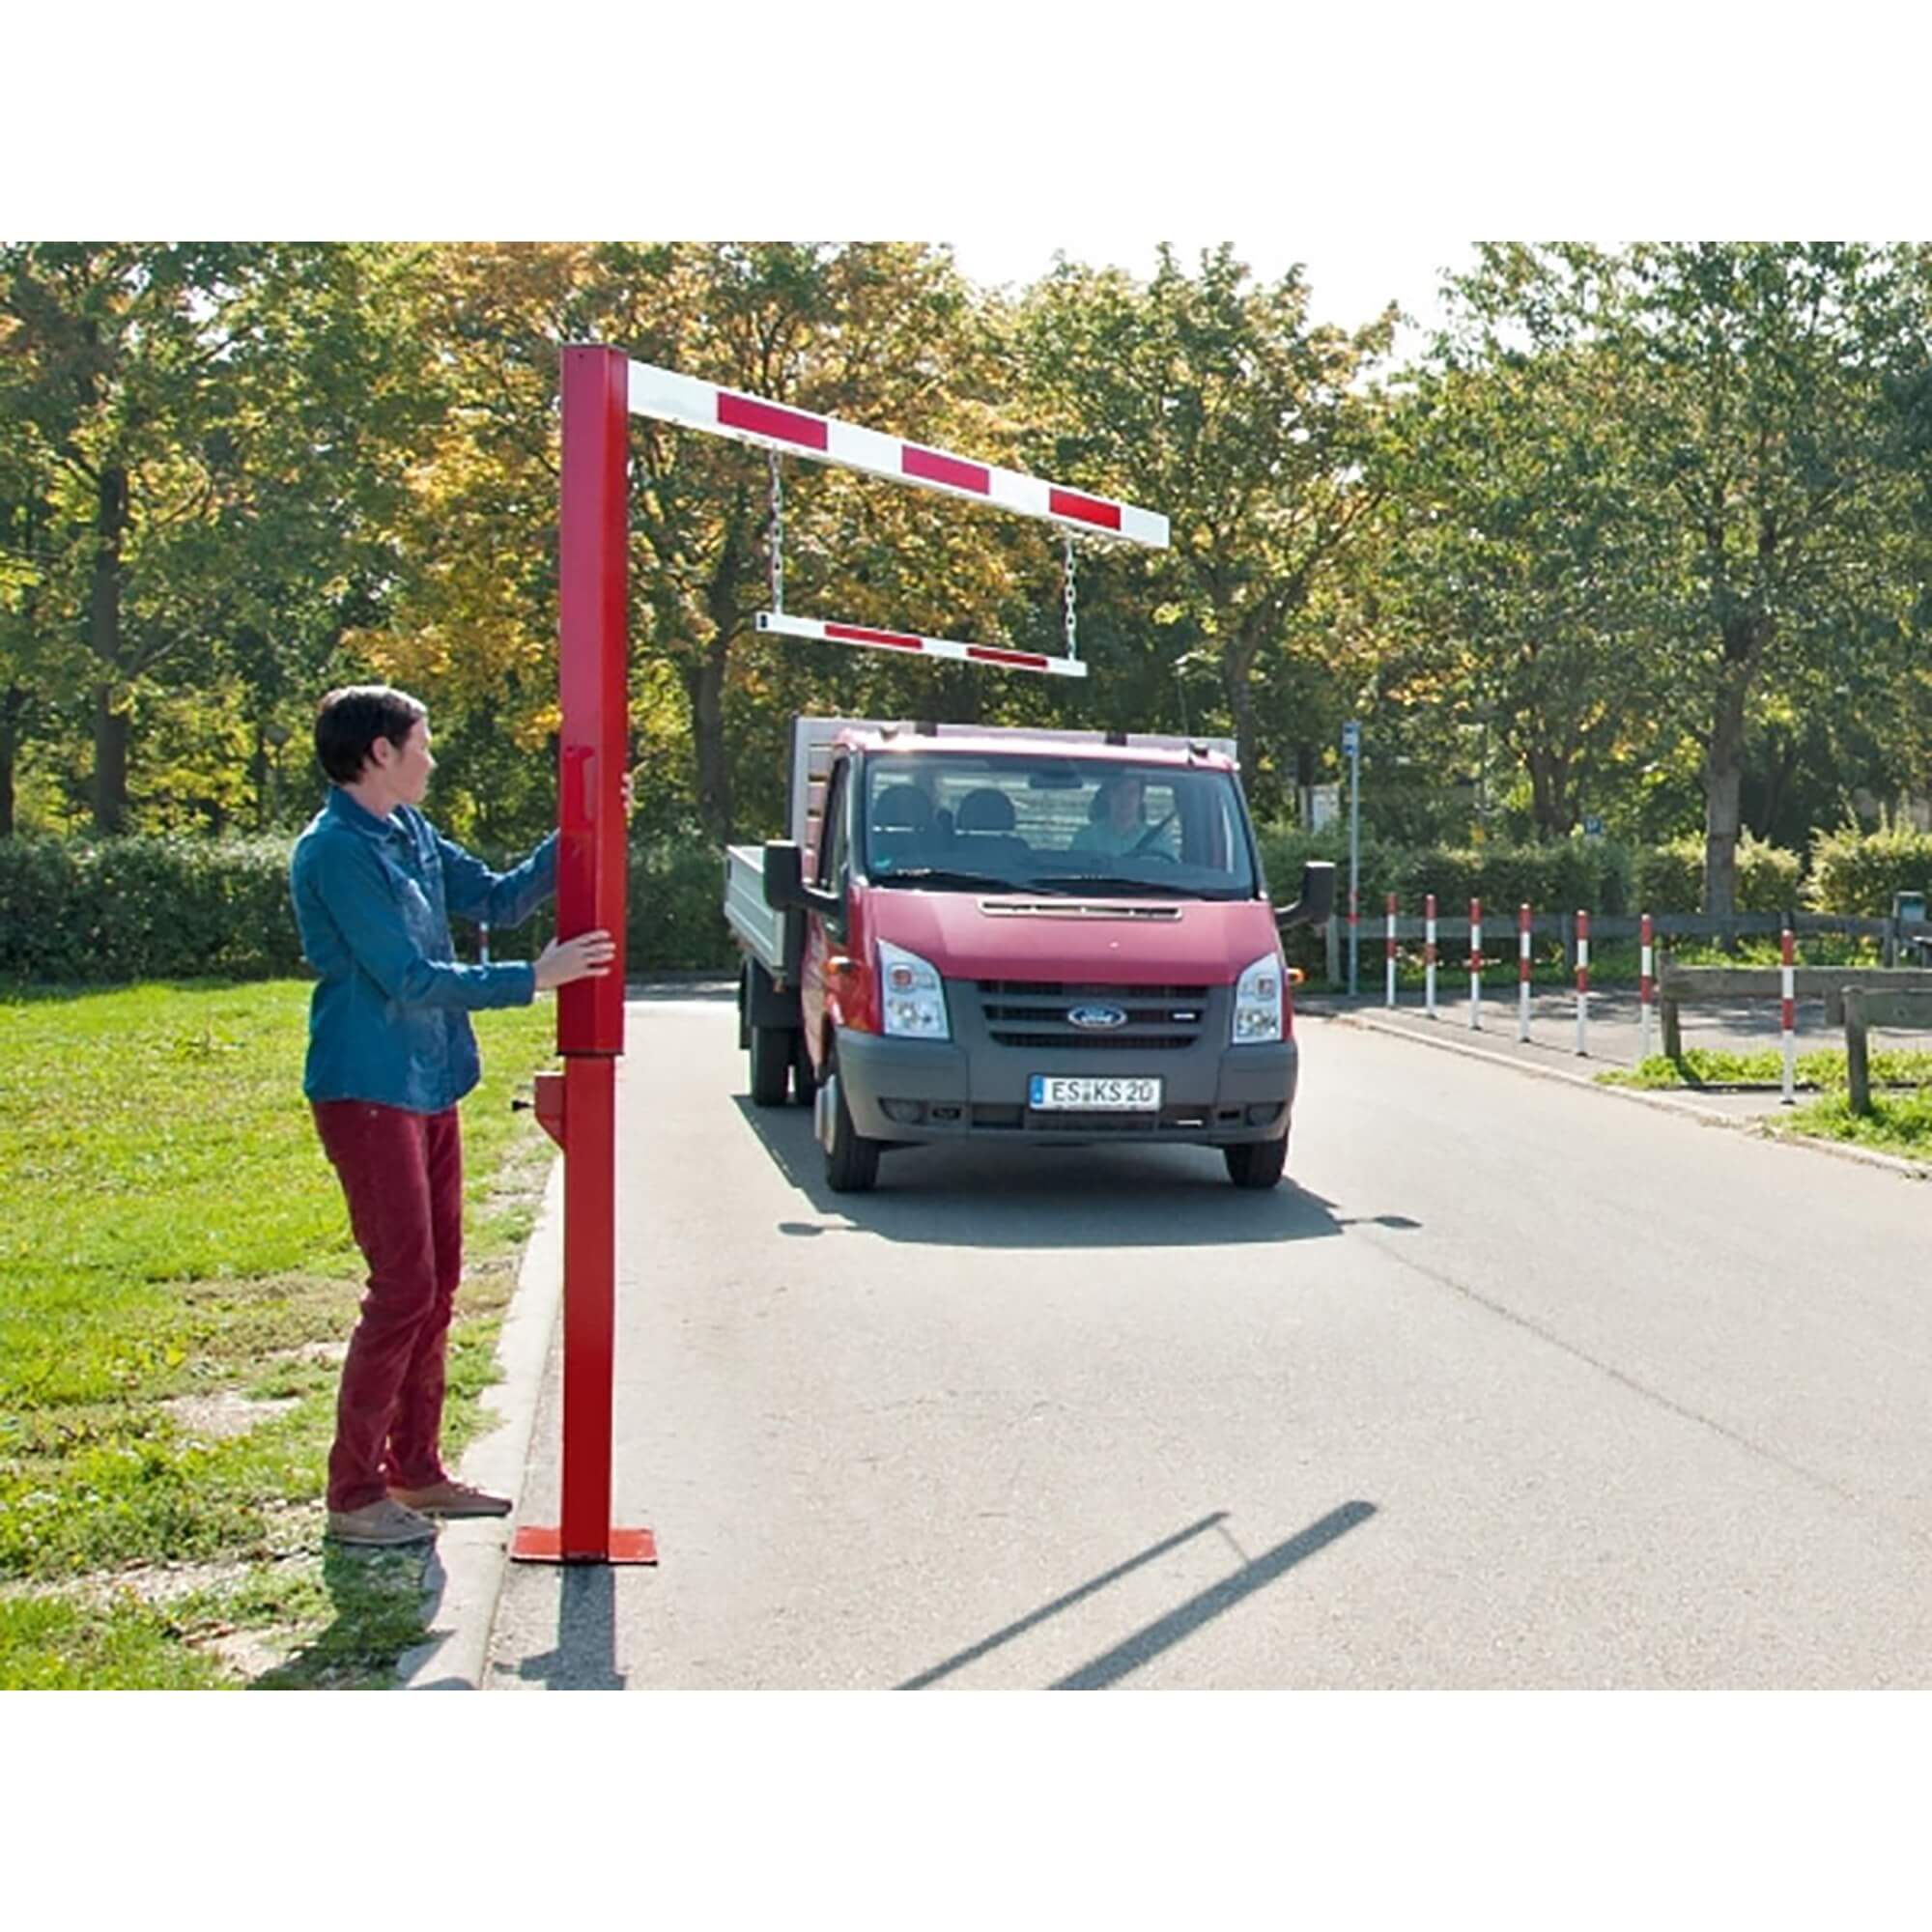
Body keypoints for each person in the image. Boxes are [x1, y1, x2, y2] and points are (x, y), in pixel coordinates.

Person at [290, 685, 616, 1548]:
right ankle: (354, 1493)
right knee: (401, 1288)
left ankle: (418, 1472)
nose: (431, 759)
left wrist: (583, 824)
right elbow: (405, 976)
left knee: (435, 1287)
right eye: (421, 744)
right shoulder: (334, 853)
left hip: (431, 1081)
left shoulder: (409, 833)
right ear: (378, 755)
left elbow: (503, 898)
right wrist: (532, 980)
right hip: (368, 1088)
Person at [1070, 772, 1150, 857]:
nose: (1124, 798)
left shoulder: (1158, 840)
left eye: (1131, 792)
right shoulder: (1085, 838)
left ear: (1141, 798)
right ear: (1108, 795)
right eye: (1118, 791)